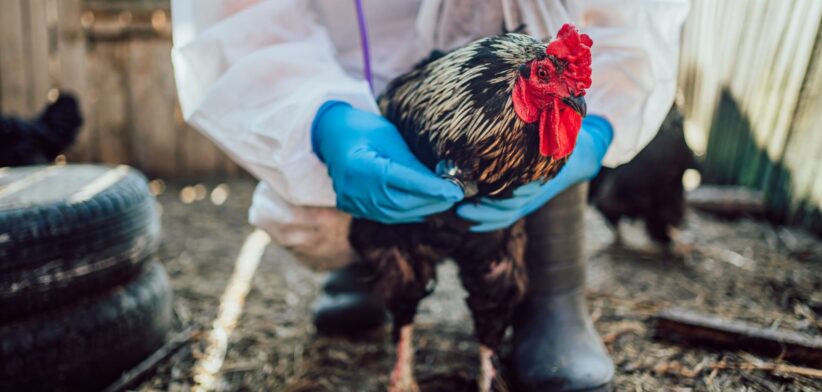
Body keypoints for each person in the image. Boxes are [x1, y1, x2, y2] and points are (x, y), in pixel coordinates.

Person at [171, 1, 689, 390]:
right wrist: (323, 117)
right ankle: (367, 271)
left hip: (522, 87)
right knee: (332, 219)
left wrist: (595, 126)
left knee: (500, 256)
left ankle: (552, 293)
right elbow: (239, 17)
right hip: (365, 77)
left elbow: (628, 18)